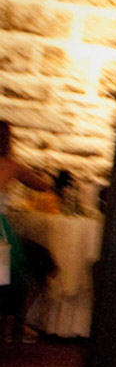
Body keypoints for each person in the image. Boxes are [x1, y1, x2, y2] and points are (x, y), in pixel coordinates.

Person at [0, 121, 55, 343]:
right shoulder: (11, 166)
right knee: (17, 274)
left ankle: (10, 324)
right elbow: (42, 185)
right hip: (1, 232)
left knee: (6, 276)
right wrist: (47, 173)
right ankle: (14, 324)